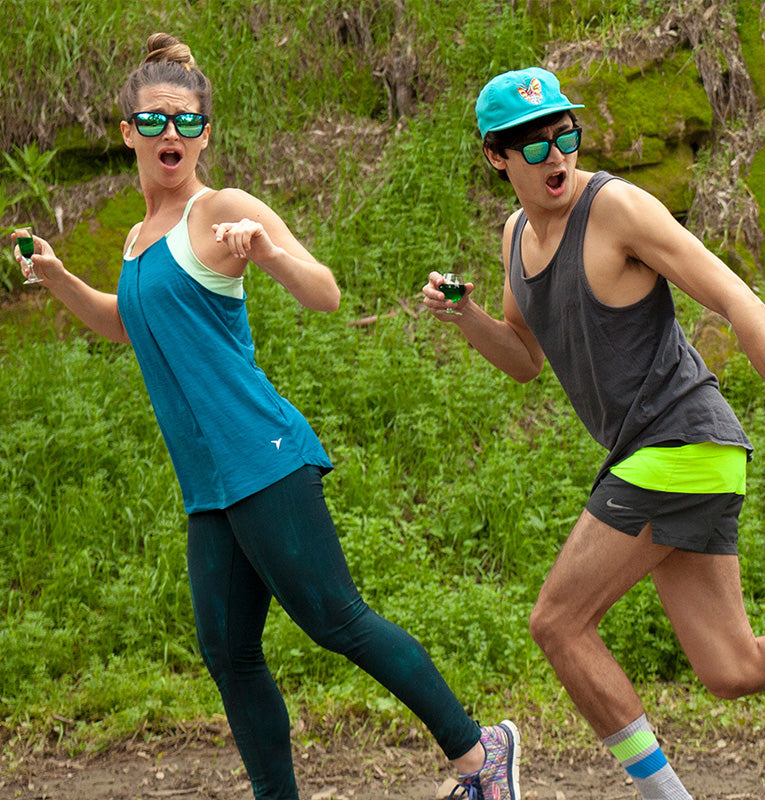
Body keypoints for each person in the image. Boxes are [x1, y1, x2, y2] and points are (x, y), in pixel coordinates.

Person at [12, 33, 521, 800]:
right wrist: (56, 278)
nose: (171, 133)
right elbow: (128, 325)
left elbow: (325, 292)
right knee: (228, 652)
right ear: (128, 132)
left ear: (204, 133)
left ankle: (480, 752)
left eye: (186, 120)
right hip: (211, 483)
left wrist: (267, 253)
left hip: (262, 453)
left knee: (335, 619)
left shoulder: (221, 210)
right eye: (153, 121)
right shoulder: (139, 237)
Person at [422, 66, 765, 800]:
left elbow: (737, 299)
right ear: (496, 156)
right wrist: (465, 316)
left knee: (558, 623)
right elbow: (525, 358)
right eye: (534, 145)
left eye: (565, 135)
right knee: (733, 668)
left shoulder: (617, 208)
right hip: (669, 454)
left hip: (681, 442)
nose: (556, 156)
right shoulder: (515, 237)